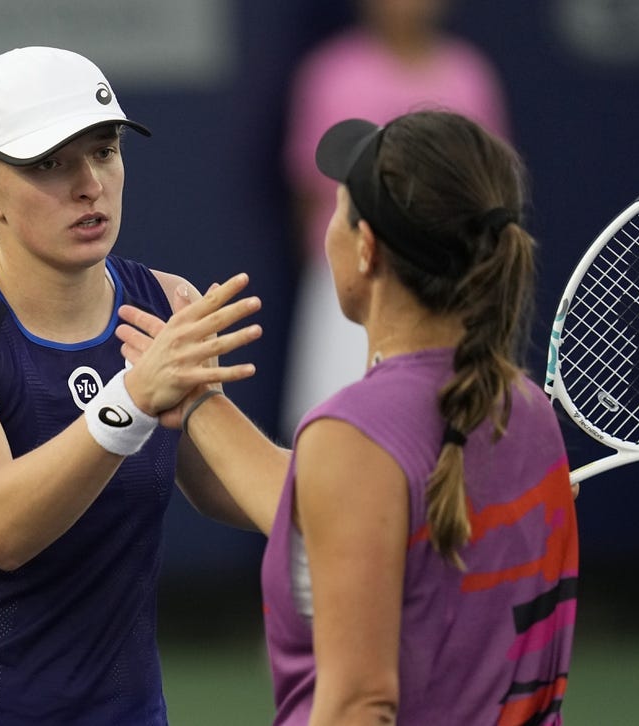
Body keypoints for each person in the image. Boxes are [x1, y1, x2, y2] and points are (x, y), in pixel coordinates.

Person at [119, 110, 578, 725]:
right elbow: (338, 511)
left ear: (365, 250)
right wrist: (198, 397)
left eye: (337, 208)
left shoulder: (354, 435)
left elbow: (360, 704)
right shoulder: (522, 408)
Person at [0, 46, 262, 725]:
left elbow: (237, 489)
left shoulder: (167, 303)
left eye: (103, 151)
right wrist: (131, 398)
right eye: (49, 164)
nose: (89, 184)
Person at [280, 0, 513, 440]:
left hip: (447, 293)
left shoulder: (470, 75)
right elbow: (309, 197)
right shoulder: (331, 74)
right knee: (334, 441)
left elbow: (487, 197)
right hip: (348, 290)